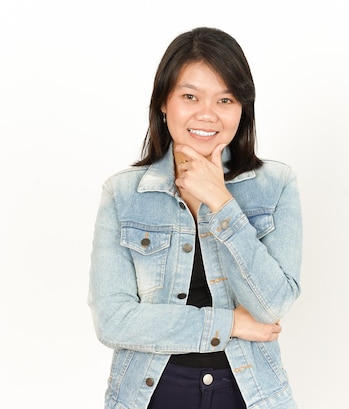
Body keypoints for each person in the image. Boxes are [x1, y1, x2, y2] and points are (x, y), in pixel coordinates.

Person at [88, 27, 303, 409]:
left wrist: (221, 201)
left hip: (252, 395)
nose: (208, 114)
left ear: (243, 108)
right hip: (151, 394)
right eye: (190, 96)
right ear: (163, 103)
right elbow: (114, 320)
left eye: (225, 99)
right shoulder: (123, 195)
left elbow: (272, 307)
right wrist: (229, 325)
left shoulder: (276, 186)